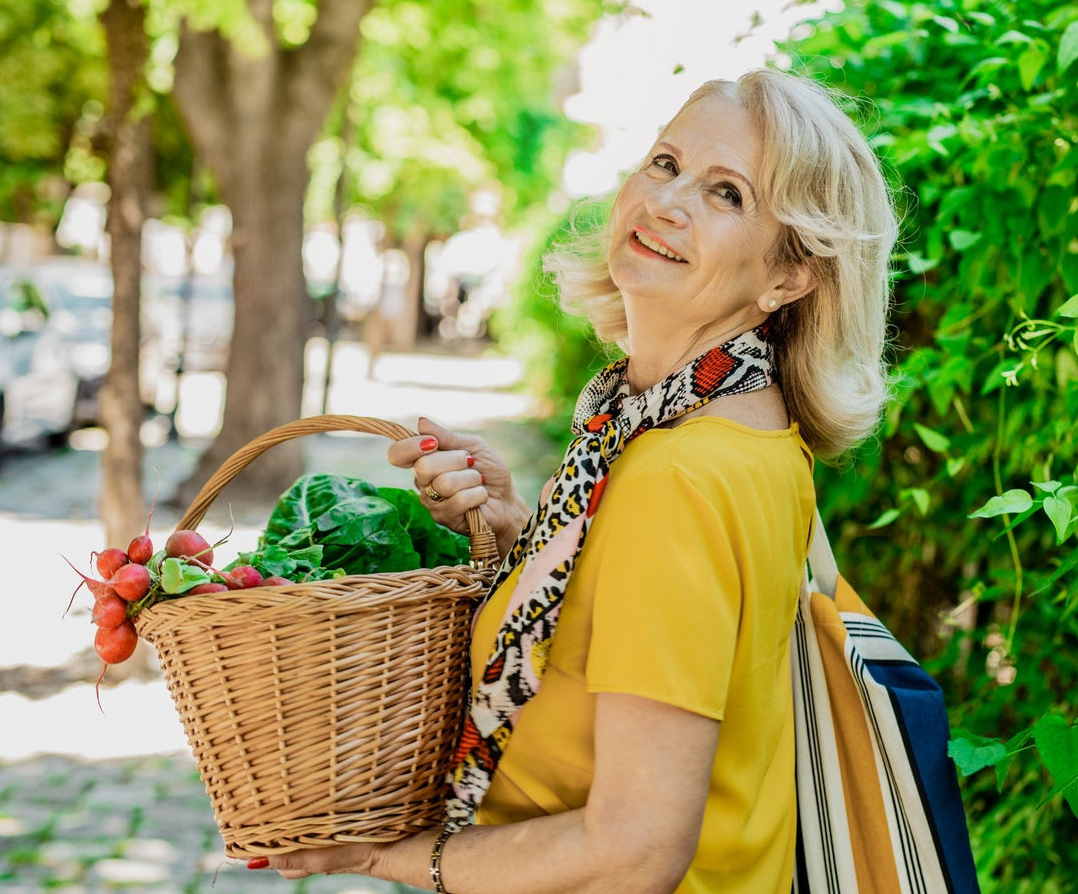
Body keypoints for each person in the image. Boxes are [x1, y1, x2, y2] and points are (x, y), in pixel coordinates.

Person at [249, 68, 898, 892]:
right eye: (666, 163)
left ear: (789, 276)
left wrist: (388, 857)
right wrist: (529, 531)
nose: (668, 201)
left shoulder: (678, 473)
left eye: (728, 193)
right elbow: (656, 626)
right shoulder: (733, 432)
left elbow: (633, 851)